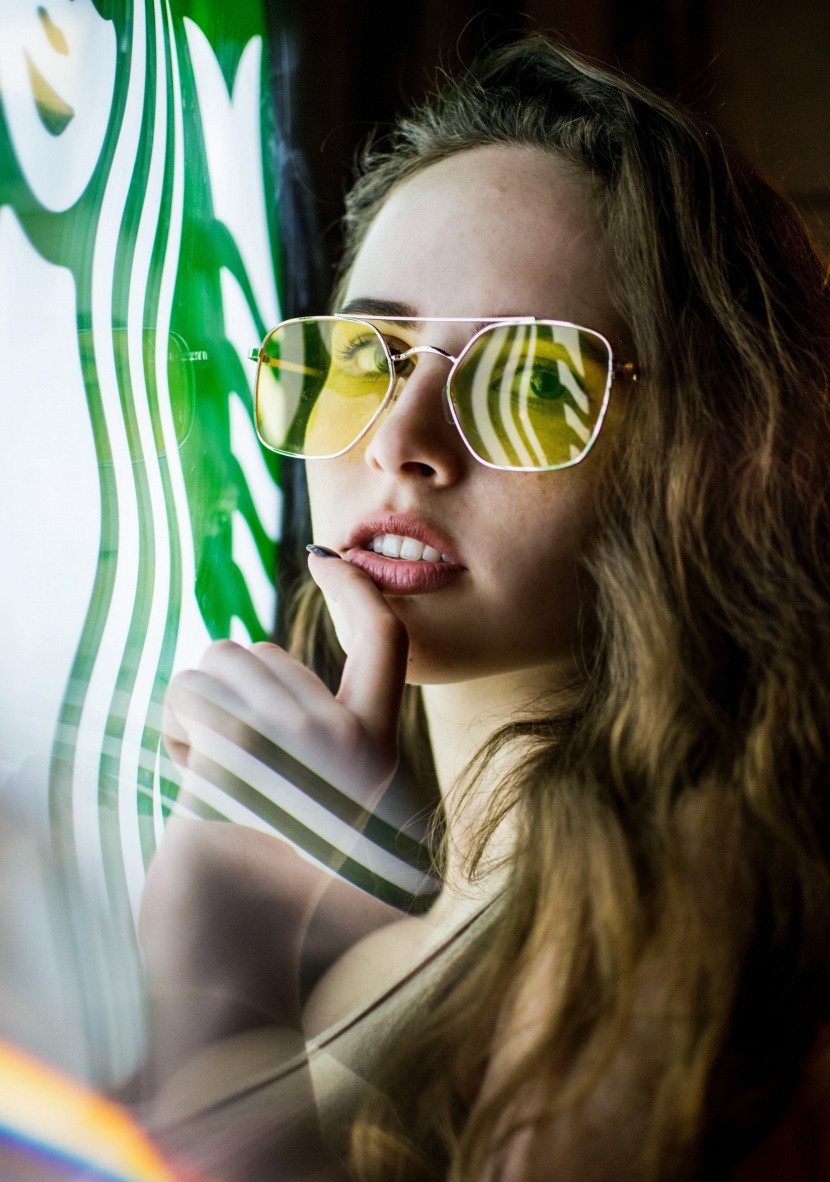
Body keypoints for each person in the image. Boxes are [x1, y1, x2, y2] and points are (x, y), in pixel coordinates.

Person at [140, 35, 830, 1182]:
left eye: (533, 381)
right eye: (362, 356)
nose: (399, 440)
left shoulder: (684, 912)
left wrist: (216, 972)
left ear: (707, 454)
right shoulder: (391, 927)